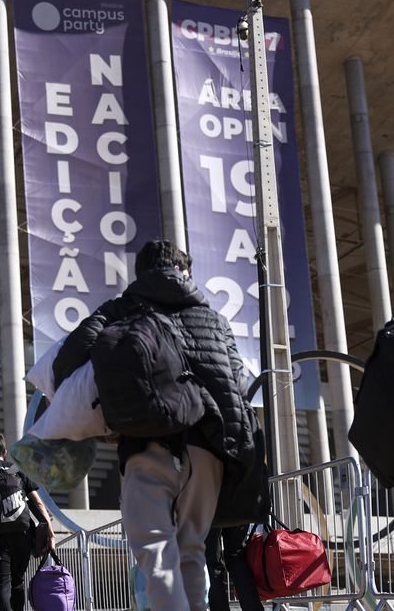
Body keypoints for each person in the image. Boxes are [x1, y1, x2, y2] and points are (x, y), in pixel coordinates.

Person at [54, 240, 255, 611]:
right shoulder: (214, 319)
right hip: (208, 444)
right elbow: (238, 383)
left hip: (145, 440)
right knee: (192, 548)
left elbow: (68, 357)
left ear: (140, 273)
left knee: (155, 551)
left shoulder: (120, 309)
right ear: (185, 272)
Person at [0, 432, 56, 611]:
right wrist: (50, 534)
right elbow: (38, 503)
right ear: (5, 452)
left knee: (3, 583)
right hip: (23, 535)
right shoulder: (19, 470)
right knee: (18, 581)